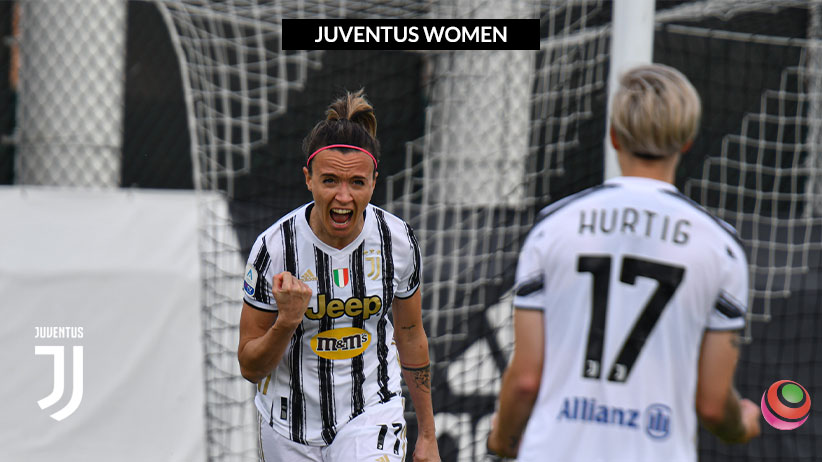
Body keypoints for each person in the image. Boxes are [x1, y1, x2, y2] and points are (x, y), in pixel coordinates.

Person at [487, 64, 761, 461]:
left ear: (613, 136)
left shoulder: (554, 227)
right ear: (687, 142)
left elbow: (526, 379)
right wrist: (742, 424)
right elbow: (714, 405)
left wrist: (504, 440)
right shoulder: (720, 247)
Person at [238, 90, 440, 462]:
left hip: (370, 413)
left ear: (374, 182)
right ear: (308, 179)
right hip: (288, 426)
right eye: (330, 180)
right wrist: (287, 321)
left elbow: (411, 334)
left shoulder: (397, 240)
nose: (343, 197)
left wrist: (428, 434)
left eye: (357, 183)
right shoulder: (274, 248)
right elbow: (250, 367)